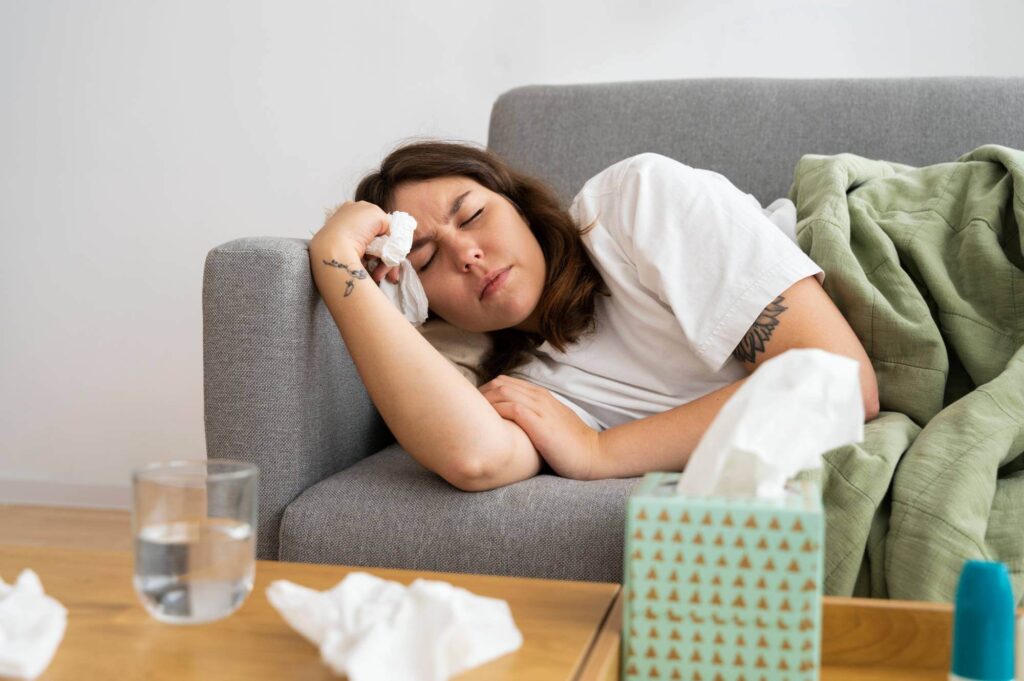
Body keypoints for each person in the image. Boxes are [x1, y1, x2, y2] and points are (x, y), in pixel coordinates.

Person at [308, 139, 879, 492]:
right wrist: (338, 267)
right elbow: (476, 457)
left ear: (518, 205)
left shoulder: (632, 203)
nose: (467, 254)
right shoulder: (526, 387)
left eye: (475, 214)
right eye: (429, 259)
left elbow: (841, 380)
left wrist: (599, 452)